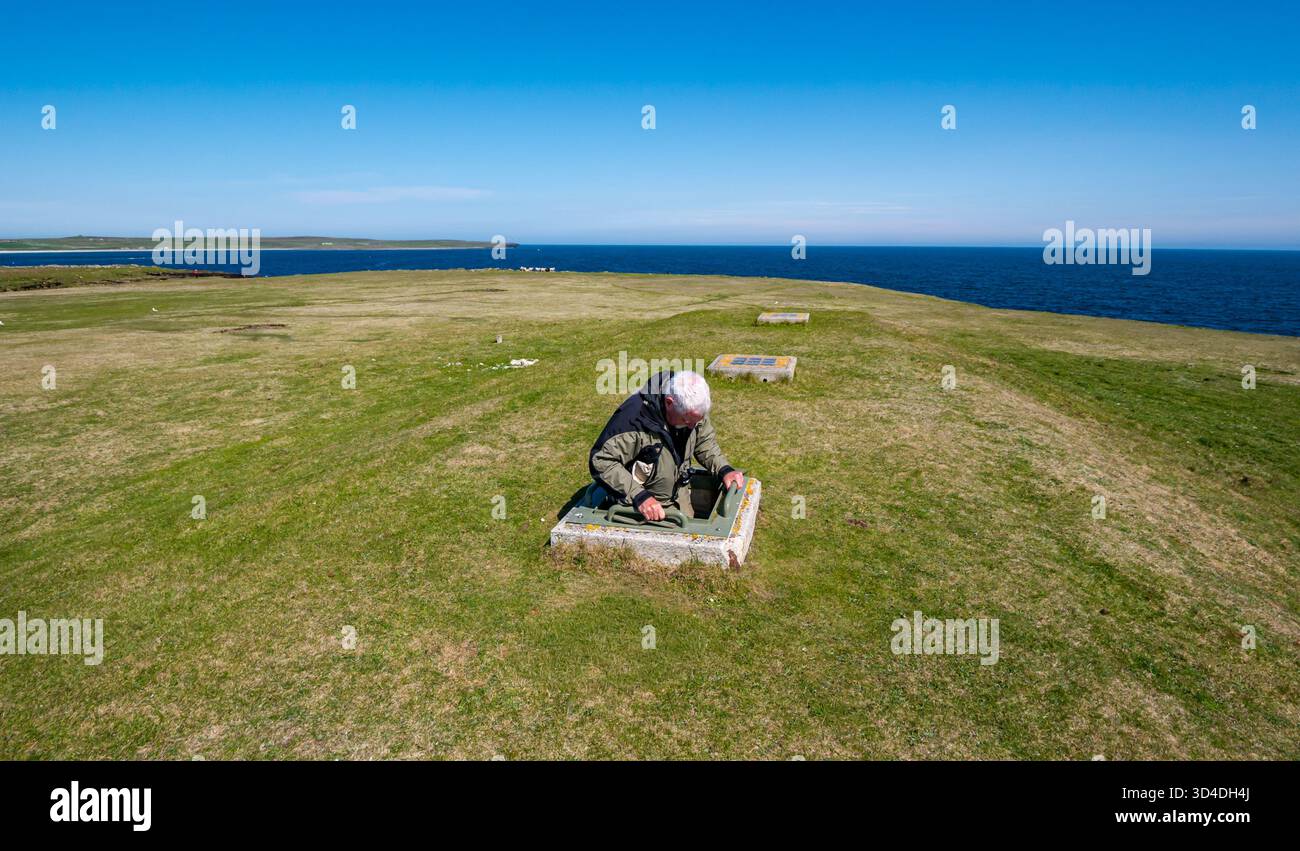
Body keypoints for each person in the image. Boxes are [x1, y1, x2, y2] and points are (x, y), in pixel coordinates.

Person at [588, 370, 744, 521]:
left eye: (697, 420)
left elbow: (704, 441)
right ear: (669, 403)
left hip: (681, 500)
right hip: (647, 510)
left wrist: (724, 469)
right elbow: (601, 461)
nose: (692, 426)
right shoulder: (633, 421)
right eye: (687, 421)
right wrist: (638, 495)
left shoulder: (692, 407)